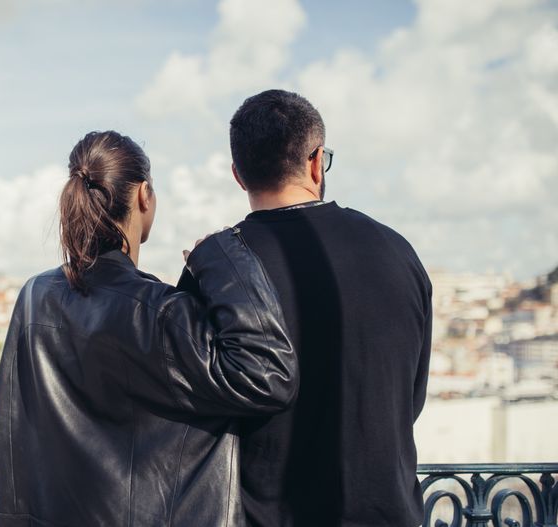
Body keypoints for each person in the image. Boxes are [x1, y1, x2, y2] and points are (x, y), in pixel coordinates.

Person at [0, 130, 299, 526]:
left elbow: (11, 428)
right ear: (143, 195)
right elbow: (269, 375)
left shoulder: (35, 296)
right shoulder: (160, 312)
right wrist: (219, 256)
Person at [181, 89, 432, 526]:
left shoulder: (217, 270)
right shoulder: (399, 253)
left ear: (238, 175)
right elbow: (410, 399)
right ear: (316, 162)